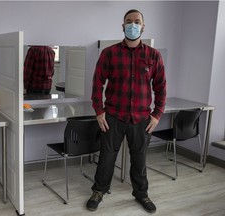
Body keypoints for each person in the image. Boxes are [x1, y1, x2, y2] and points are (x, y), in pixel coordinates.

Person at [86, 9, 166, 213]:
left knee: (139, 160)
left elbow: (161, 87)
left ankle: (142, 194)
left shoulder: (153, 55)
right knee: (106, 158)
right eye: (129, 22)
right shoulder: (109, 53)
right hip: (113, 117)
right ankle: (99, 191)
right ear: (122, 27)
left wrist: (157, 114)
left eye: (137, 21)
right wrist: (99, 110)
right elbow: (97, 83)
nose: (133, 25)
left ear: (143, 26)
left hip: (141, 119)